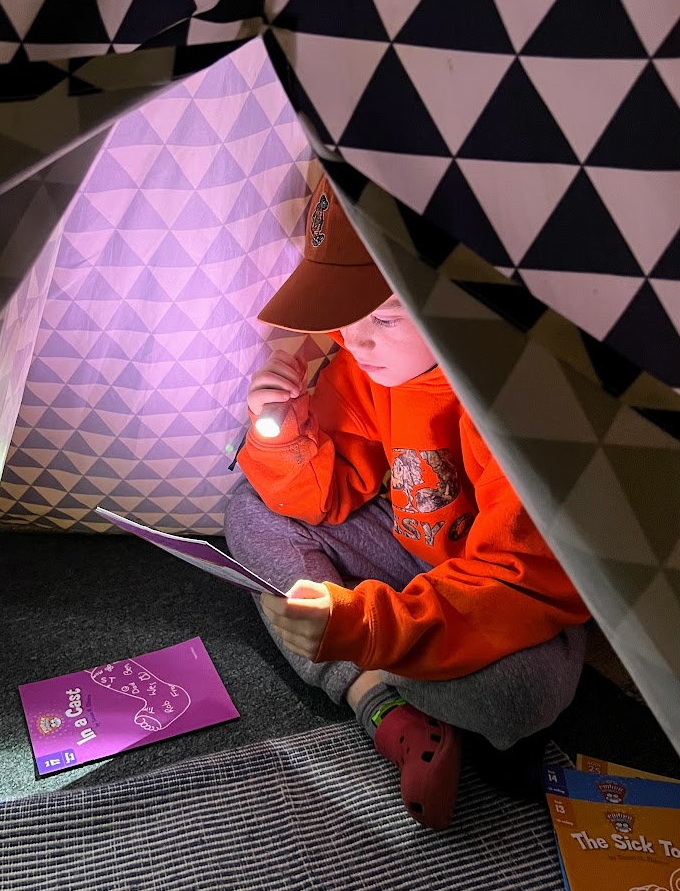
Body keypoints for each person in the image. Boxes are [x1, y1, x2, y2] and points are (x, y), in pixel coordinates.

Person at [224, 173, 591, 831]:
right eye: (343, 310)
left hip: (516, 609)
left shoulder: (512, 404)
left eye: (387, 316)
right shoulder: (365, 367)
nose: (358, 340)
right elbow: (323, 499)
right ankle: (381, 705)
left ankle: (374, 680)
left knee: (519, 696)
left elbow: (520, 583)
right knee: (249, 513)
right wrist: (281, 433)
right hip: (413, 564)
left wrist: (367, 626)